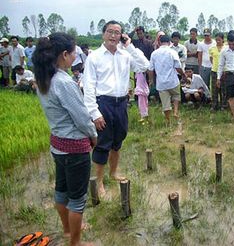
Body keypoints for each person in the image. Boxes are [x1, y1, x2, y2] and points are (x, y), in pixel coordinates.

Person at [32, 32, 97, 246]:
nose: (74, 58)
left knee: (61, 191)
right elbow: (81, 118)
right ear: (64, 54)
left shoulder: (43, 78)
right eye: (73, 54)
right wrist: (93, 136)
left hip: (58, 146)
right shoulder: (64, 82)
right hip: (75, 150)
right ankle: (75, 242)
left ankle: (69, 231)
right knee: (77, 200)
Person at [83, 20, 149, 196]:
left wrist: (130, 46)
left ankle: (113, 173)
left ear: (122, 36)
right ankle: (99, 182)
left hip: (121, 103)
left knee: (118, 140)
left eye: (117, 33)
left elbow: (144, 65)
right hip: (103, 103)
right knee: (103, 143)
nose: (113, 35)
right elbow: (88, 87)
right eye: (110, 32)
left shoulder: (125, 55)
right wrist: (94, 113)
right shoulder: (94, 57)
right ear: (103, 34)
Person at [149, 35, 186, 125]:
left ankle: (168, 120)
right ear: (169, 42)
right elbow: (178, 67)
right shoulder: (172, 52)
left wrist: (151, 81)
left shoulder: (154, 53)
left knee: (165, 103)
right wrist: (183, 75)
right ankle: (175, 112)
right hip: (173, 81)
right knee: (176, 96)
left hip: (161, 83)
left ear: (159, 43)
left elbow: (150, 69)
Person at [209, 32, 226, 111]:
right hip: (215, 71)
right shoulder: (212, 49)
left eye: (219, 40)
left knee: (223, 89)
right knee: (214, 89)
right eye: (216, 40)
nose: (218, 41)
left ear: (223, 40)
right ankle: (214, 105)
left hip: (224, 71)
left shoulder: (226, 48)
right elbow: (211, 59)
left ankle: (223, 105)